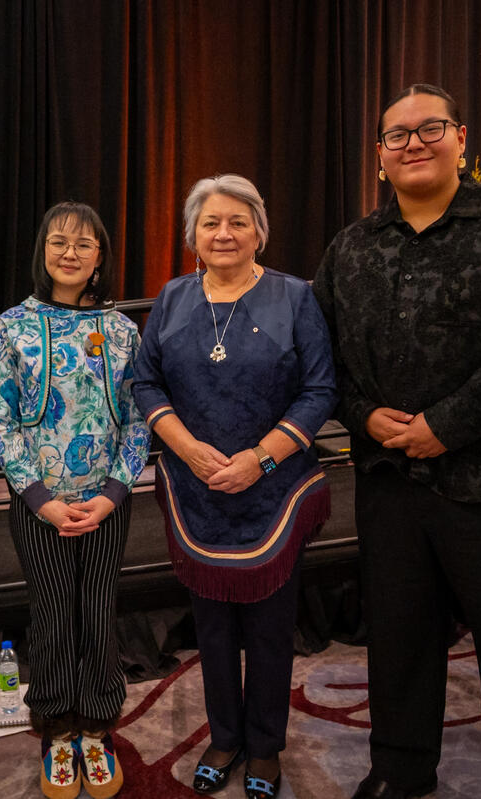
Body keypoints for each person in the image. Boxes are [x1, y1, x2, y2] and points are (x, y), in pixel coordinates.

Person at [312, 84, 481, 799]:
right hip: (390, 483)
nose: (414, 143)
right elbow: (322, 357)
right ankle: (399, 771)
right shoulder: (351, 248)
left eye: (430, 128)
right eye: (397, 135)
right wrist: (362, 414)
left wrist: (445, 426)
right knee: (399, 642)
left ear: (461, 138)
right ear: (379, 155)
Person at [132, 175, 336, 799]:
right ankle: (224, 738)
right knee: (213, 629)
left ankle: (265, 747)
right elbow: (145, 382)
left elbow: (320, 391)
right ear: (192, 235)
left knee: (271, 629)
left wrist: (259, 460)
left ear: (259, 233)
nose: (223, 233)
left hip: (273, 490)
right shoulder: (172, 297)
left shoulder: (295, 297)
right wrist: (187, 449)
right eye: (210, 223)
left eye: (238, 222)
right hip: (197, 490)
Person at [0, 202, 151, 799]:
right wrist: (40, 498)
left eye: (84, 243)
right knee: (53, 613)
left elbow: (139, 419)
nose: (70, 253)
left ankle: (98, 727)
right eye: (59, 241)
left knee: (99, 610)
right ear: (43, 251)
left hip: (107, 504)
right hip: (39, 505)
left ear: (100, 256)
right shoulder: (12, 327)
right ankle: (56, 729)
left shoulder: (123, 330)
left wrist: (112, 494)